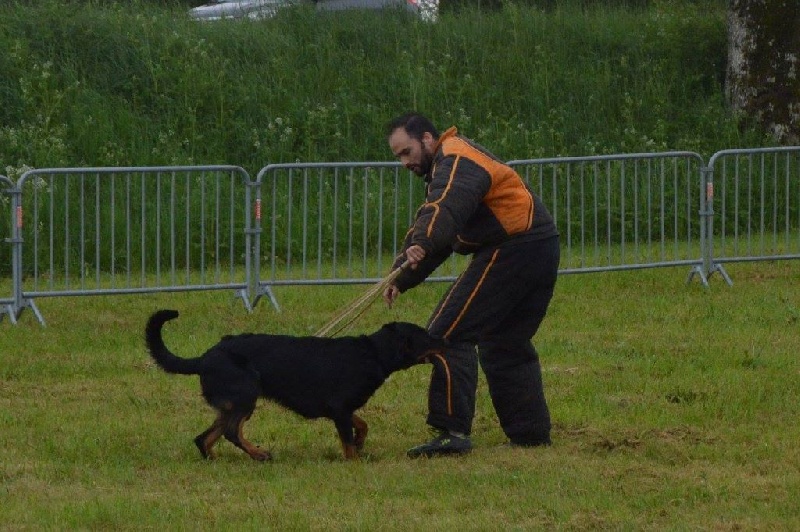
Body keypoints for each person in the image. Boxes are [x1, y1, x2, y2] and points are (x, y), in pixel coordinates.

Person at [383, 112, 560, 457]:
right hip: (539, 244)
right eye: (398, 157)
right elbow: (444, 233)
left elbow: (444, 210)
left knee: (446, 334)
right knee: (505, 342)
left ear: (427, 139)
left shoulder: (456, 157)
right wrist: (400, 278)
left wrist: (424, 240)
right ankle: (530, 435)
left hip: (516, 247)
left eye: (406, 152)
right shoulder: (450, 163)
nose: (404, 163)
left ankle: (452, 433)